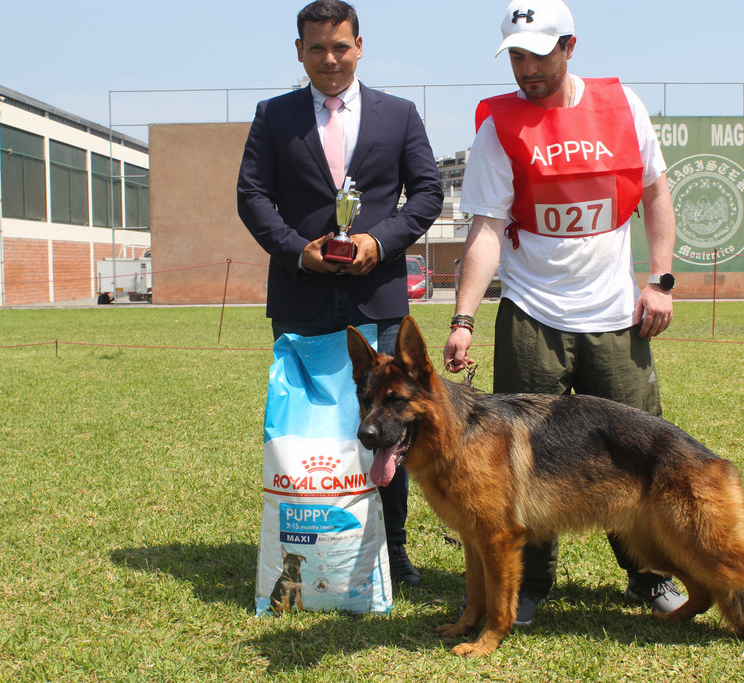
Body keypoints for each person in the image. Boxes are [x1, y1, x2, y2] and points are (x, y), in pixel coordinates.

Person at [443, 0, 687, 623]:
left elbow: (657, 194)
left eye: (539, 54)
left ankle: (648, 575)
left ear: (569, 47)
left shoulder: (623, 105)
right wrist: (464, 318)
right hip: (531, 315)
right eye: (516, 57)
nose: (527, 69)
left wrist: (660, 282)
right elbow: (486, 228)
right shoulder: (498, 127)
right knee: (522, 457)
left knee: (636, 448)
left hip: (615, 315)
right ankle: (528, 585)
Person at [237, 0, 444, 587]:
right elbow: (252, 195)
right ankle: (311, 542)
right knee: (309, 425)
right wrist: (295, 249)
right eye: (317, 48)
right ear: (299, 51)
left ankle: (391, 549)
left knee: (390, 425)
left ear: (359, 47)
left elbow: (428, 192)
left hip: (377, 296)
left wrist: (380, 241)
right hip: (301, 297)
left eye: (340, 47)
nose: (330, 59)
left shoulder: (398, 114)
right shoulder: (273, 116)